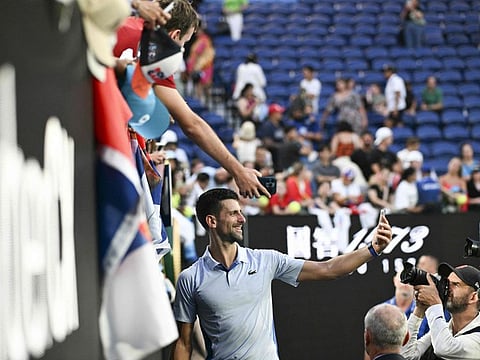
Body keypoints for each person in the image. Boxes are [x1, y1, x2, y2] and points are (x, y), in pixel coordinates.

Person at [171, 187, 393, 359]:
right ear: (212, 221)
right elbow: (184, 343)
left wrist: (372, 249)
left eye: (241, 212)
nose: (242, 219)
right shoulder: (190, 279)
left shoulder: (266, 260)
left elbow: (328, 269)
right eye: (233, 214)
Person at [401, 262, 480, 359]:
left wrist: (434, 302)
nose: (447, 288)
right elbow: (405, 355)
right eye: (447, 283)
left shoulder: (477, 336)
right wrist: (419, 310)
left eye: (455, 284)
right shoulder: (445, 329)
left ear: (473, 297)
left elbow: (443, 348)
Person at [186, 23, 215, 103]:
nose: (197, 32)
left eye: (198, 30)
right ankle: (200, 103)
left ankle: (202, 105)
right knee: (198, 87)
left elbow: (198, 53)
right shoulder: (199, 40)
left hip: (203, 67)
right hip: (199, 66)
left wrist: (195, 67)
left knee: (202, 86)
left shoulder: (204, 40)